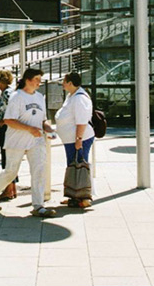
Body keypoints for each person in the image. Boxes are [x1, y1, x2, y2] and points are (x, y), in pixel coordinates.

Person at [0, 68, 56, 217]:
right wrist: (29, 128)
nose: (39, 83)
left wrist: (49, 129)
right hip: (16, 141)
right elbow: (9, 120)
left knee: (39, 171)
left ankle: (38, 205)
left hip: (36, 141)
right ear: (28, 80)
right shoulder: (16, 97)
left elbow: (42, 120)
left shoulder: (39, 97)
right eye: (37, 79)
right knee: (11, 172)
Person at [55, 71, 96, 208]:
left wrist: (79, 139)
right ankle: (74, 195)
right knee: (73, 167)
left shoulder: (79, 98)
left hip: (80, 138)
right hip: (71, 139)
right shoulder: (72, 96)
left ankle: (85, 197)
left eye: (64, 81)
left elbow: (82, 121)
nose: (63, 84)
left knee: (81, 166)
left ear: (70, 83)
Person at [0, 69, 17, 200]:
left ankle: (8, 189)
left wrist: (3, 121)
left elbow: (10, 109)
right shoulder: (9, 92)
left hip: (6, 128)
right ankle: (11, 188)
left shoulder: (7, 93)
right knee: (9, 157)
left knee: (6, 157)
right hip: (9, 127)